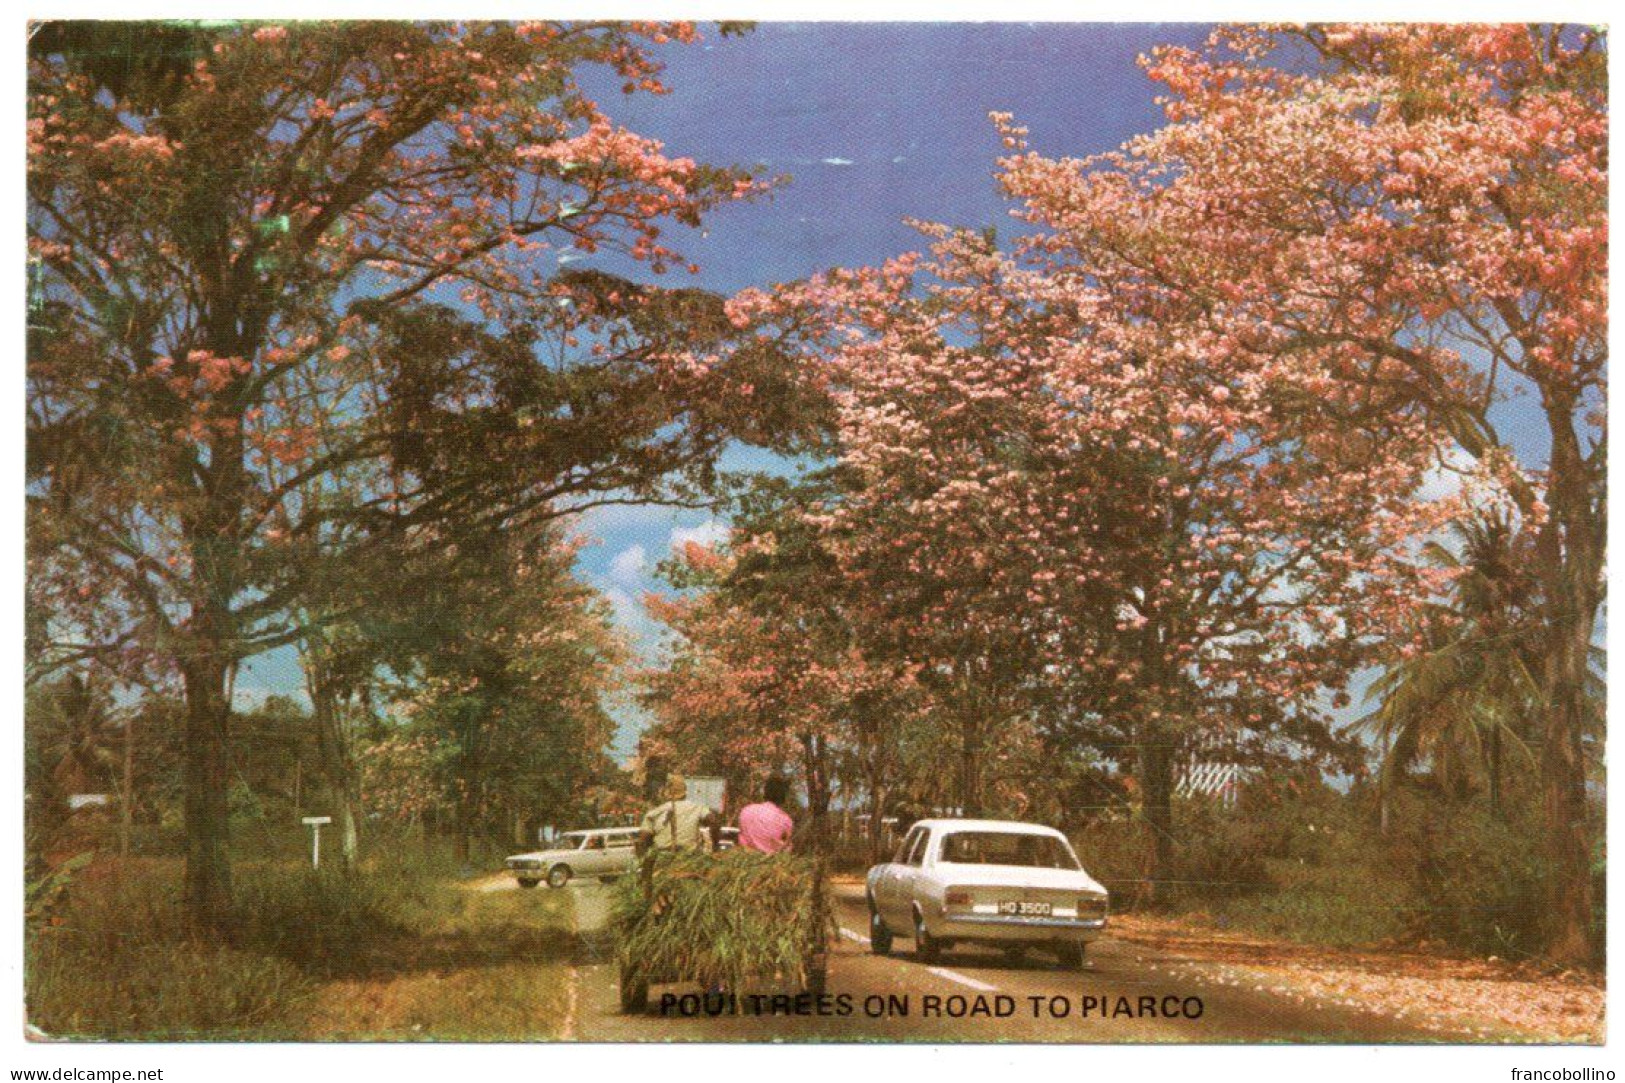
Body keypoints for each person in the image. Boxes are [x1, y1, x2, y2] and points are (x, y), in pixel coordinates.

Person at [636, 774, 718, 856]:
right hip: (689, 859)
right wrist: (715, 846)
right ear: (685, 791)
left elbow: (643, 841)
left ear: (665, 792)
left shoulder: (654, 813)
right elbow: (713, 822)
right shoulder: (697, 807)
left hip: (661, 859)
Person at [736, 775, 795, 855]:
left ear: (765, 792)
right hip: (772, 861)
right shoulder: (785, 820)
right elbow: (787, 846)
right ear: (783, 796)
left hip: (745, 857)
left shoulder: (746, 810)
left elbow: (741, 836)